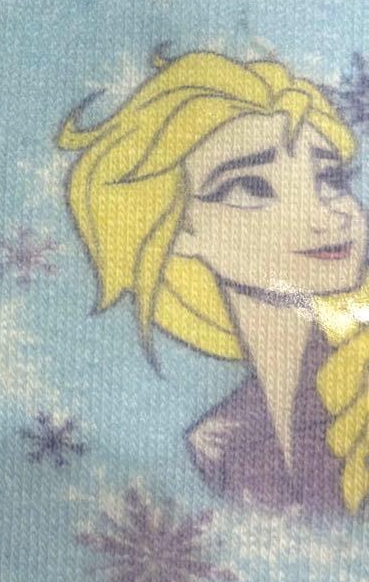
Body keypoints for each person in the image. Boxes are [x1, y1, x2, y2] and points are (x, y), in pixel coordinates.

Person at [58, 50, 369, 515]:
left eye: (330, 178)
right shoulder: (220, 443)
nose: (328, 215)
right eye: (251, 187)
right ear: (178, 227)